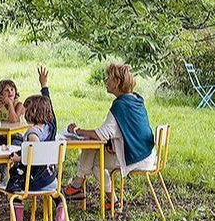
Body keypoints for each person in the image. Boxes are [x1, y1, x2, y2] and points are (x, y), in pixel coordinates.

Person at [62, 63, 157, 212]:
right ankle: (78, 185)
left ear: (117, 82)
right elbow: (128, 129)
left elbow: (101, 134)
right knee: (93, 148)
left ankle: (87, 188)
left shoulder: (119, 105)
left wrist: (76, 130)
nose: (106, 81)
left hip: (136, 158)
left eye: (108, 78)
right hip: (146, 152)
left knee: (94, 160)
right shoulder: (136, 99)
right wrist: (112, 143)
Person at [2, 94, 70, 221]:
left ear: (30, 113)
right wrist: (44, 86)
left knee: (16, 193)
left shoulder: (32, 133)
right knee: (60, 198)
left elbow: (33, 152)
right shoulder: (51, 128)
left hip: (32, 182)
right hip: (51, 181)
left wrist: (17, 157)